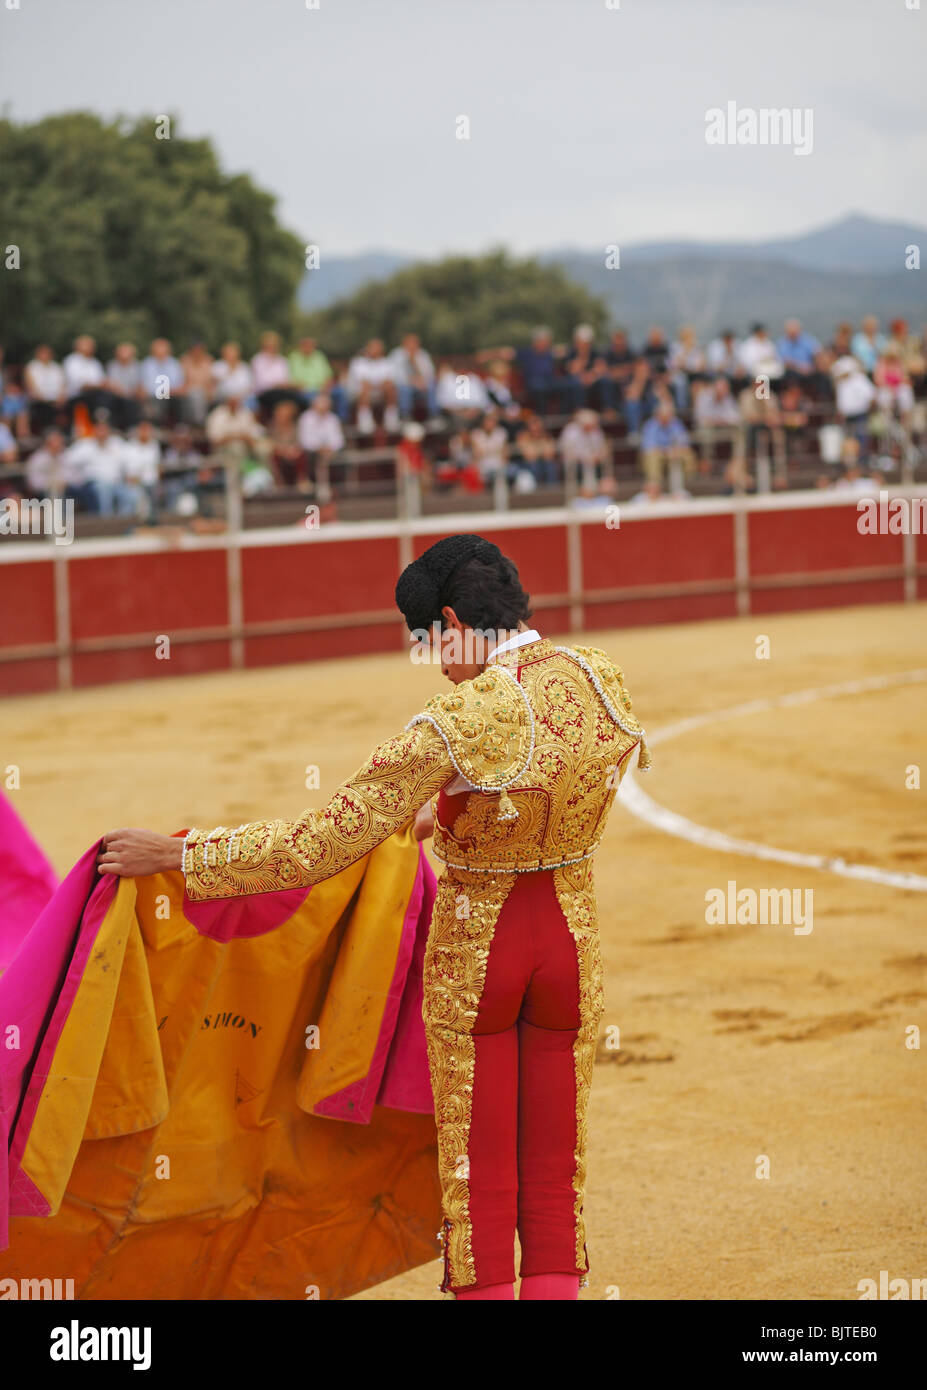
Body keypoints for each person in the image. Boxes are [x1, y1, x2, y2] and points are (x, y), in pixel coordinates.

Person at [97, 532, 651, 1301]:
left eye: (432, 644)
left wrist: (184, 858)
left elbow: (317, 843)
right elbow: (544, 787)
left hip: (480, 956)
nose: (438, 664)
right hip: (568, 947)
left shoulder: (455, 719)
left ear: (453, 622)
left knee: (479, 1168)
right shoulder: (601, 678)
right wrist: (454, 813)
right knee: (555, 1162)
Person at [345, 338, 400, 434]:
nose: (375, 350)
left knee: (392, 390)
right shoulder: (358, 362)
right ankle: (365, 421)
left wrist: (377, 386)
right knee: (365, 390)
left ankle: (391, 420)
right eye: (373, 347)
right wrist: (378, 385)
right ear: (368, 348)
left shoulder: (386, 363)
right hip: (360, 393)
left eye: (378, 347)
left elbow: (389, 382)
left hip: (380, 392)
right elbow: (364, 383)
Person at [639, 401, 695, 486]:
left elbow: (684, 442)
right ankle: (656, 485)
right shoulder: (650, 425)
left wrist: (674, 450)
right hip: (658, 453)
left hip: (674, 452)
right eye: (663, 415)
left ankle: (689, 483)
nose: (666, 418)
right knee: (653, 458)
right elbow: (649, 447)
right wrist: (666, 451)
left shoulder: (676, 423)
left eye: (668, 415)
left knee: (688, 454)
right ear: (658, 415)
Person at [388, 333, 437, 420]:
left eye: (415, 343)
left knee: (431, 387)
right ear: (404, 343)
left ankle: (434, 416)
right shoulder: (396, 355)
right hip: (403, 384)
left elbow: (430, 373)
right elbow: (393, 375)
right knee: (405, 389)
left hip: (421, 385)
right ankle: (406, 416)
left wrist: (415, 364)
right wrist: (411, 381)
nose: (412, 345)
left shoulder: (423, 355)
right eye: (410, 342)